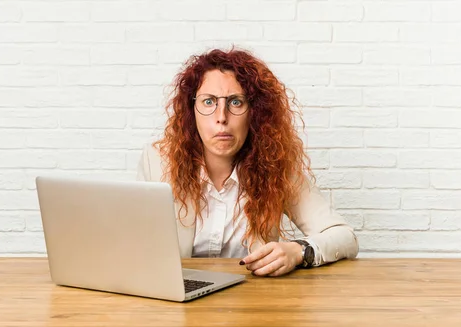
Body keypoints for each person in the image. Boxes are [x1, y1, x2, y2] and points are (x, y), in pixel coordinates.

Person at [136, 47, 358, 277]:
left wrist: (298, 251)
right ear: (192, 111)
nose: (221, 117)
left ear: (254, 112)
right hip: (179, 299)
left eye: (235, 102)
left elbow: (344, 236)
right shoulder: (157, 162)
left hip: (251, 300)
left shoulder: (275, 165)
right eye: (209, 101)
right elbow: (134, 245)